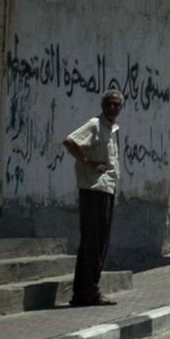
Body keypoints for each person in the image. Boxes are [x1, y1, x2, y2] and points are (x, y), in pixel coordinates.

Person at [63, 90, 124, 306]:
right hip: (94, 190)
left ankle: (85, 293)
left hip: (106, 189)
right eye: (109, 104)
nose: (112, 108)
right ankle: (88, 293)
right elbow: (70, 141)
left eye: (117, 105)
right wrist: (87, 162)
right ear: (102, 105)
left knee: (98, 244)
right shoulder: (95, 125)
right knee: (93, 243)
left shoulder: (112, 128)